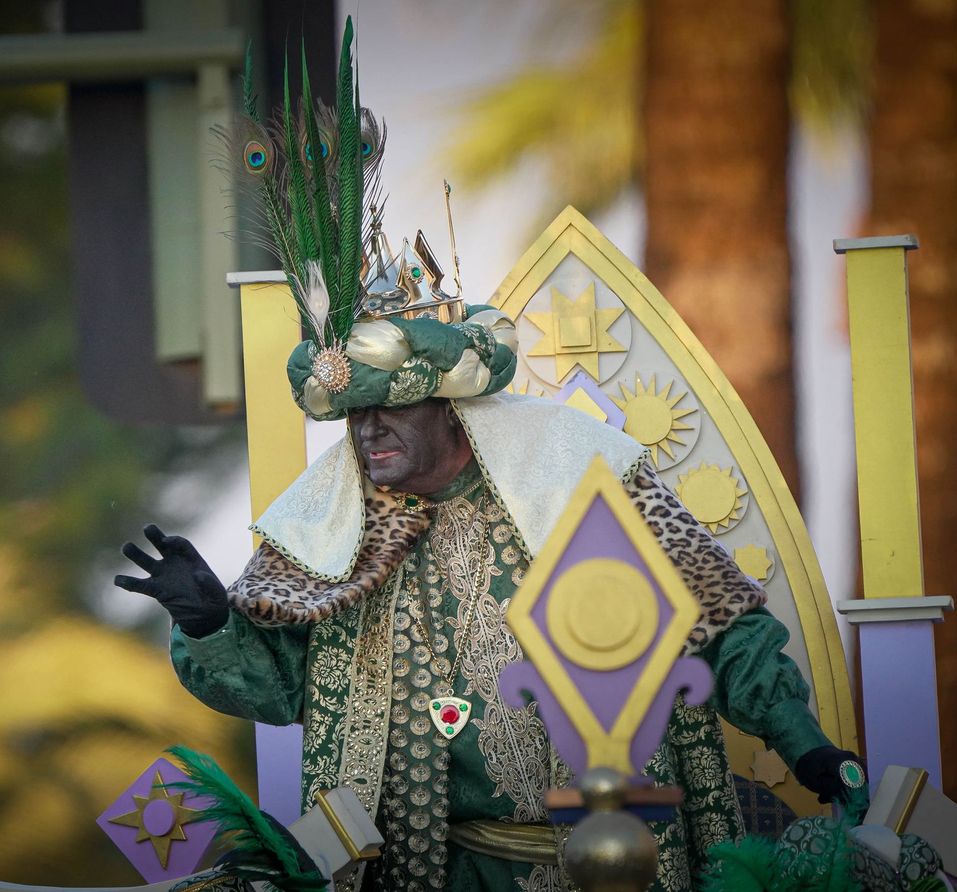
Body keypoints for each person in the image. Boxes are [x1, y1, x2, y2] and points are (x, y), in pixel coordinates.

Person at [115, 22, 860, 891]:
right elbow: (280, 694)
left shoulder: (580, 475)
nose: (365, 434)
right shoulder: (333, 525)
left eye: (388, 409)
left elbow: (720, 621)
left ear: (451, 401)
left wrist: (806, 749)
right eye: (351, 417)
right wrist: (209, 623)